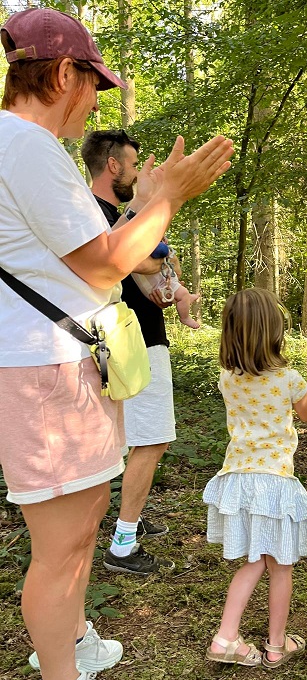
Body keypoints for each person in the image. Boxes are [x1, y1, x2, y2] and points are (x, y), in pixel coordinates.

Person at [0, 7, 233, 680]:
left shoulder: (24, 147)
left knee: (81, 524)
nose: (96, 102)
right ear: (63, 73)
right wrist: (169, 198)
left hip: (57, 365)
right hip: (46, 371)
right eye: (93, 85)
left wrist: (153, 198)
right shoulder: (26, 145)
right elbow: (106, 265)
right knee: (61, 544)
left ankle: (69, 642)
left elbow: (87, 258)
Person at [203, 289, 307, 668]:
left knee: (255, 561)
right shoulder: (287, 378)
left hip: (238, 478)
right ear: (274, 332)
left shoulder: (227, 378)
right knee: (279, 566)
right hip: (273, 482)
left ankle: (231, 637)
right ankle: (270, 644)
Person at [81, 129, 182, 576]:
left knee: (134, 438)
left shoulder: (104, 214)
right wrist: (151, 209)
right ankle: (122, 544)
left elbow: (155, 258)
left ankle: (130, 520)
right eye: (134, 165)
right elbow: (145, 259)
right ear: (113, 165)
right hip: (130, 343)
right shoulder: (96, 214)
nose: (138, 173)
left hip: (131, 340)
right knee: (152, 439)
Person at [132, 240, 200, 330]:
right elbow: (161, 250)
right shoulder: (139, 245)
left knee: (182, 294)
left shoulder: (130, 245)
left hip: (158, 282)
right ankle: (185, 317)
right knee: (183, 294)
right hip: (157, 286)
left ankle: (186, 299)